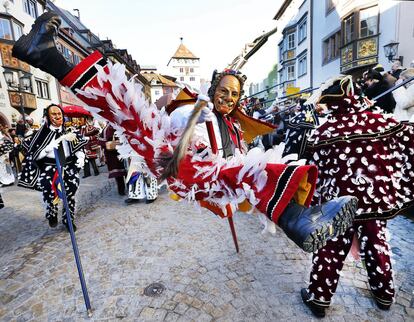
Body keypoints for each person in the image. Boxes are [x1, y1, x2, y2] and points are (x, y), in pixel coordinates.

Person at [12, 11, 358, 253]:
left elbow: (235, 157)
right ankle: (47, 57)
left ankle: (299, 219)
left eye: (234, 95)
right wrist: (187, 134)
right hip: (184, 166)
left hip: (212, 181)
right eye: (223, 92)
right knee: (130, 109)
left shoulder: (234, 123)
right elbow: (175, 134)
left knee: (251, 169)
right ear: (212, 88)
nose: (228, 99)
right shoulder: (195, 110)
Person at [300, 76, 414, 317]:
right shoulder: (379, 121)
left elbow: (313, 171)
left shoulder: (323, 131)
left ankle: (319, 297)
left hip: (338, 204)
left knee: (330, 247)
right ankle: (384, 294)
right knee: (377, 244)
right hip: (373, 201)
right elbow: (406, 137)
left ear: (332, 103)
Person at [18, 104, 87, 231]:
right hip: (50, 167)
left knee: (70, 193)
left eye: (59, 114)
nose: (57, 116)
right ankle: (51, 212)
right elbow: (35, 155)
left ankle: (69, 220)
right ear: (48, 117)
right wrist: (47, 149)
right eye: (53, 114)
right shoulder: (40, 134)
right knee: (50, 192)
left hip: (68, 165)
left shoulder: (69, 131)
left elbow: (78, 146)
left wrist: (81, 156)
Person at [99, 124, 127, 195]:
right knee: (122, 173)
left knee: (121, 173)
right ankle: (126, 190)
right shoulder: (112, 127)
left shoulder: (107, 128)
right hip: (117, 153)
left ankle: (123, 190)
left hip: (118, 153)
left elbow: (101, 142)